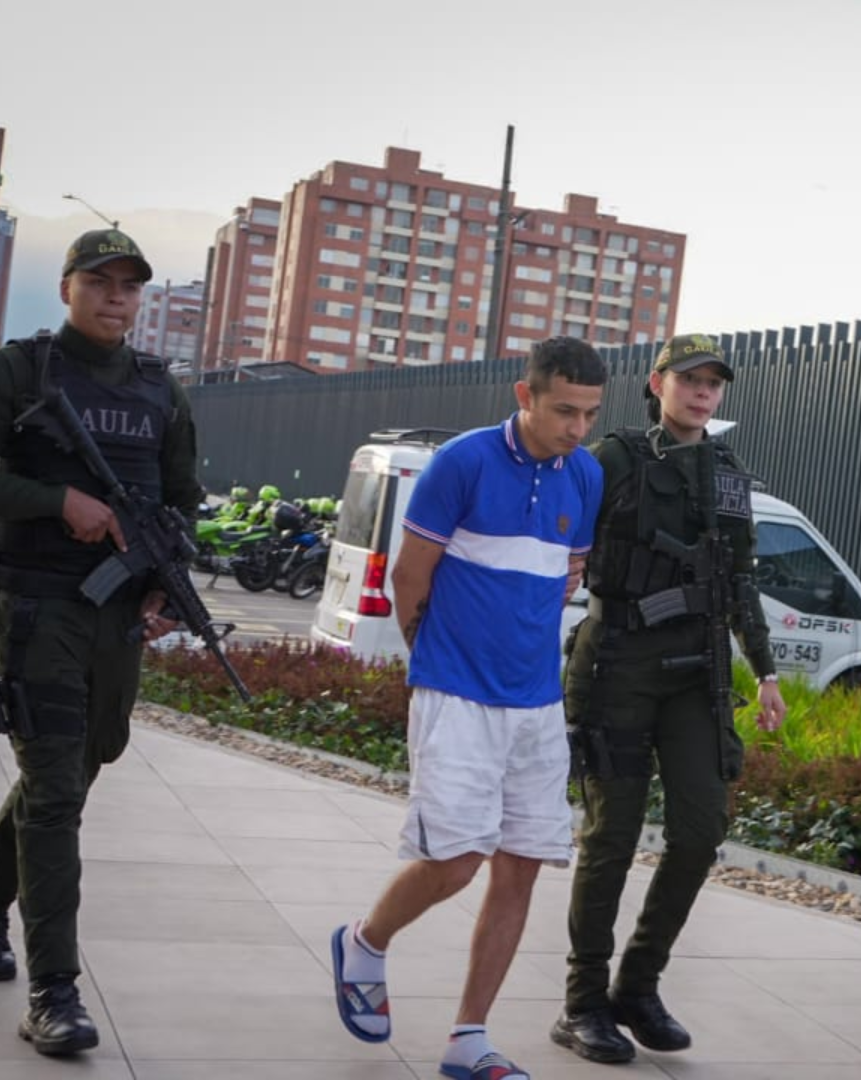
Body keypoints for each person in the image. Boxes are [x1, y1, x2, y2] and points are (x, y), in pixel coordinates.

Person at [0, 229, 202, 1056]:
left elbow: (183, 501)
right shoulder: (20, 371)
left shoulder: (163, 390)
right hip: (39, 606)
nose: (116, 296)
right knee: (53, 793)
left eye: (129, 286)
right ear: (67, 286)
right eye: (100, 280)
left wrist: (163, 584)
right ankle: (55, 990)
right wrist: (59, 502)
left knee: (80, 772)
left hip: (115, 618)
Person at [329, 336, 606, 1080]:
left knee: (519, 870)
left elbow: (562, 580)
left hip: (536, 704)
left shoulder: (586, 475)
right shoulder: (463, 462)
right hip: (455, 691)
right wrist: (437, 660)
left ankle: (467, 1039)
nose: (577, 429)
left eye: (589, 414)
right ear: (526, 395)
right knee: (453, 861)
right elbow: (411, 580)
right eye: (563, 411)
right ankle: (365, 941)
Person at [551, 333, 788, 1065]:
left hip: (695, 674)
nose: (702, 392)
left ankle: (638, 986)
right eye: (690, 379)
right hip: (617, 662)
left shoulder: (728, 473)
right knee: (611, 839)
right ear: (658, 383)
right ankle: (584, 1001)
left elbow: (742, 577)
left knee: (699, 828)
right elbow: (559, 539)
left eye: (714, 383)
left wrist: (767, 670)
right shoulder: (614, 458)